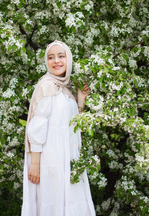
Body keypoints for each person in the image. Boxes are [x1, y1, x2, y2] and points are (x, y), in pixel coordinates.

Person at [21, 40, 96, 216]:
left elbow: (73, 124)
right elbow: (37, 127)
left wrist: (81, 99)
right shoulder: (47, 85)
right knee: (52, 203)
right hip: (49, 159)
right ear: (46, 62)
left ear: (68, 59)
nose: (56, 61)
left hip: (69, 157)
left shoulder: (65, 88)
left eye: (61, 56)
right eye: (51, 57)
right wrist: (35, 163)